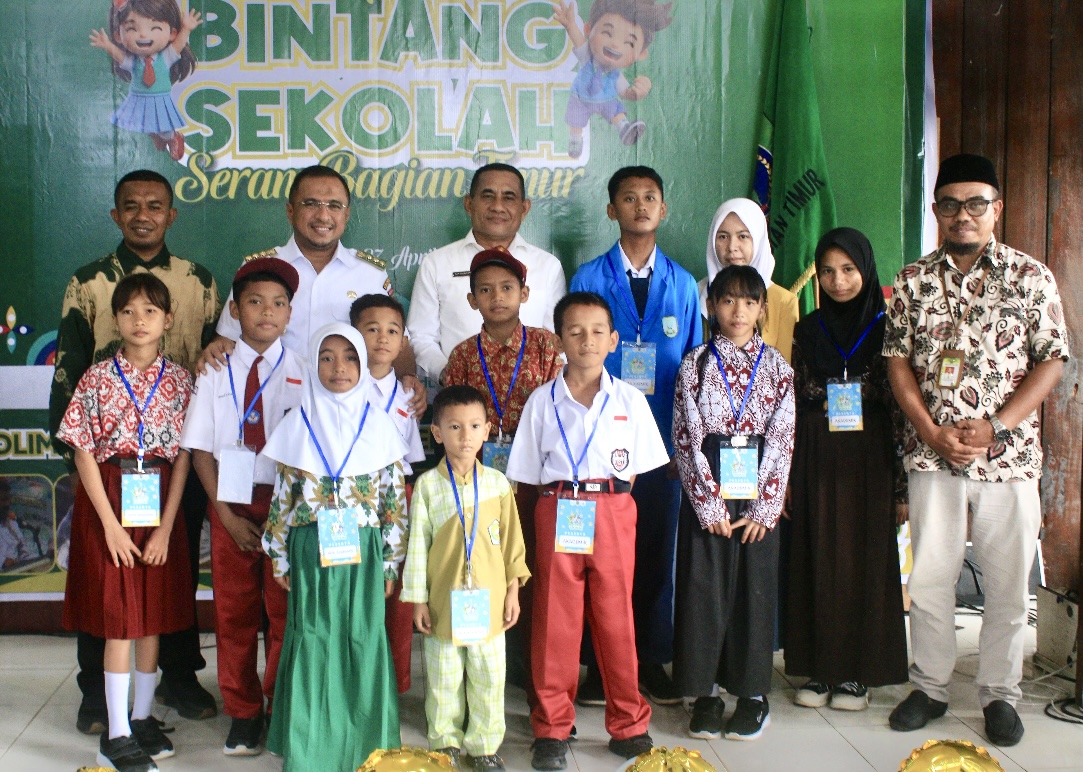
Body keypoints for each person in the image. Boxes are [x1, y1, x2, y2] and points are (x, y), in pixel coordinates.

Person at [884, 153, 1068, 747]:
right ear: (936, 210)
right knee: (931, 579)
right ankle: (930, 688)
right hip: (931, 454)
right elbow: (897, 363)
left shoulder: (1031, 276)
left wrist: (997, 427)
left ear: (997, 209)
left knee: (1009, 584)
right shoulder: (912, 281)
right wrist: (929, 430)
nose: (963, 214)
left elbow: (1051, 362)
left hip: (1007, 458)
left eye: (975, 204)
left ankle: (1000, 695)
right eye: (950, 204)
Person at [49, 169, 219, 734]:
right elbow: (69, 370)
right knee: (107, 584)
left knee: (167, 578)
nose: (143, 215)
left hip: (173, 461)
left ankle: (178, 676)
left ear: (172, 214)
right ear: (116, 214)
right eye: (131, 206)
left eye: (155, 205)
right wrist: (81, 465)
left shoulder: (198, 281)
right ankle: (97, 694)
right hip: (109, 469)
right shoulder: (88, 281)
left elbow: (214, 359)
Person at [507, 292, 670, 770]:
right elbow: (528, 473)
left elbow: (638, 468)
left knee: (616, 617)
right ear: (559, 339)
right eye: (575, 331)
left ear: (614, 339)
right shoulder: (542, 401)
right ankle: (552, 727)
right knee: (554, 621)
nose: (587, 340)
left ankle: (628, 723)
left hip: (613, 508)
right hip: (557, 506)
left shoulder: (630, 400)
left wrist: (604, 497)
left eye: (598, 331)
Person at [568, 166, 700, 704]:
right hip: (599, 447)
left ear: (663, 209)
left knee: (654, 552)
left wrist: (683, 447)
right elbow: (574, 363)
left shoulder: (684, 283)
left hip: (662, 445)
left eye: (650, 197)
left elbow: (693, 372)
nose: (640, 206)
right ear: (611, 209)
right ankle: (600, 664)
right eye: (628, 197)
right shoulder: (588, 278)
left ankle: (648, 658)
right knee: (600, 556)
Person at [56, 273, 195, 772]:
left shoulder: (180, 381)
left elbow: (183, 457)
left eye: (150, 311)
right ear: (115, 319)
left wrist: (166, 527)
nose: (140, 321)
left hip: (158, 500)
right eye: (129, 311)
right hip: (109, 501)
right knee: (119, 620)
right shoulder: (96, 378)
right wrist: (110, 525)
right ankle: (115, 735)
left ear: (168, 320)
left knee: (151, 616)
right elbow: (83, 452)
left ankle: (142, 718)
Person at [260, 323, 408, 771]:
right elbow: (282, 498)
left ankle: (366, 743)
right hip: (311, 550)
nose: (338, 367)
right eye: (326, 357)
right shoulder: (297, 423)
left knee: (362, 637)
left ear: (362, 365)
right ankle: (310, 749)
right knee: (313, 637)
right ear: (313, 364)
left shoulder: (379, 424)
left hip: (364, 553)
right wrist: (279, 557)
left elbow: (393, 502)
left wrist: (391, 563)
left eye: (349, 357)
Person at [179, 257, 305, 755]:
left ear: (290, 313)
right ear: (234, 310)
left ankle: (279, 703)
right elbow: (200, 451)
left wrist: (285, 518)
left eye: (278, 303)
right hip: (229, 500)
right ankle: (243, 711)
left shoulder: (305, 371)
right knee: (234, 613)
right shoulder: (214, 369)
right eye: (254, 302)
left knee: (283, 612)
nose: (267, 312)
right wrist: (226, 517)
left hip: (285, 506)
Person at [783, 228, 908, 711]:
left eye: (848, 270)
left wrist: (901, 487)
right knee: (815, 553)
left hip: (869, 456)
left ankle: (857, 672)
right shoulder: (808, 329)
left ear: (867, 270)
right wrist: (787, 474)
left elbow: (899, 410)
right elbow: (794, 403)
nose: (837, 281)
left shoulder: (889, 326)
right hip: (816, 452)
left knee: (863, 560)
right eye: (828, 272)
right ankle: (819, 669)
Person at [672, 265, 795, 742]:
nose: (737, 311)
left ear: (762, 310)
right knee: (703, 591)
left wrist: (765, 507)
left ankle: (752, 695)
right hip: (709, 486)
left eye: (748, 301)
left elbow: (782, 438)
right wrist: (708, 506)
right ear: (711, 306)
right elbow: (686, 438)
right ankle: (704, 694)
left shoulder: (778, 367)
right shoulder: (696, 364)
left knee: (753, 593)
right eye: (727, 300)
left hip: (758, 487)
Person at [200, 165, 426, 415]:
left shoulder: (370, 274)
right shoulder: (259, 269)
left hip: (347, 413)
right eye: (311, 204)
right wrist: (215, 352)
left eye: (334, 206)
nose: (323, 216)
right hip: (269, 408)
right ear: (290, 211)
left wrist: (408, 378)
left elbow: (398, 345)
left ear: (347, 214)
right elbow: (227, 341)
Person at [441, 248, 564, 704]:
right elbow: (450, 422)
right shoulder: (461, 356)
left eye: (507, 288)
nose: (497, 297)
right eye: (486, 290)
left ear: (525, 294)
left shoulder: (547, 347)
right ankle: (484, 663)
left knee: (533, 568)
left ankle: (535, 669)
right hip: (479, 486)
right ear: (471, 300)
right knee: (484, 567)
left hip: (536, 480)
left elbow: (562, 412)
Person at [401, 385, 531, 771]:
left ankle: (484, 745)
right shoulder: (427, 486)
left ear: (488, 430)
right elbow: (417, 547)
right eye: (455, 427)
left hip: (489, 604)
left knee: (489, 677)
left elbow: (513, 546)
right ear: (437, 433)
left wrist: (512, 592)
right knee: (443, 678)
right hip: (443, 603)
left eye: (475, 426)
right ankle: (445, 741)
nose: (465, 436)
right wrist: (418, 600)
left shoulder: (498, 485)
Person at [407, 163, 567, 384]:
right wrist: (451, 374)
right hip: (460, 396)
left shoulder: (548, 266)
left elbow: (559, 342)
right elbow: (421, 336)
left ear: (524, 208)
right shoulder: (436, 263)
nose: (498, 206)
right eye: (488, 196)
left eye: (508, 197)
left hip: (533, 396)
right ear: (469, 204)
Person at [350, 293, 427, 694]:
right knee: (355, 594)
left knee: (396, 597)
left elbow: (411, 460)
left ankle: (393, 688)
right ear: (352, 334)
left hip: (397, 503)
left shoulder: (406, 396)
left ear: (403, 342)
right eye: (372, 329)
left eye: (393, 331)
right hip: (350, 503)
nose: (382, 338)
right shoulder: (339, 388)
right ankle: (355, 684)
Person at [551, 0, 674, 158]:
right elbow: (578, 40)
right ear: (588, 29)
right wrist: (570, 25)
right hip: (581, 99)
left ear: (641, 54)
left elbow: (625, 93)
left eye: (629, 42)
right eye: (607, 33)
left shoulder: (616, 74)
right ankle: (575, 139)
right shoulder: (587, 56)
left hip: (606, 101)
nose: (615, 44)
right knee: (576, 121)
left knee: (616, 110)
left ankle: (624, 128)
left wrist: (638, 92)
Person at [89, 0, 201, 160]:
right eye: (132, 29)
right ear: (118, 36)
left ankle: (172, 138)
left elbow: (179, 44)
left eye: (154, 28)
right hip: (138, 98)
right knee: (143, 122)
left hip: (159, 98)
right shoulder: (134, 62)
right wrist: (107, 45)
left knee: (164, 125)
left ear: (172, 33)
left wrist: (187, 29)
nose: (143, 35)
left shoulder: (166, 57)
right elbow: (120, 57)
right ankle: (157, 137)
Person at [699, 198, 800, 363]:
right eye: (723, 236)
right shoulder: (694, 294)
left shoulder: (783, 302)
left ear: (758, 239)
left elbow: (784, 367)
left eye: (743, 236)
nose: (732, 246)